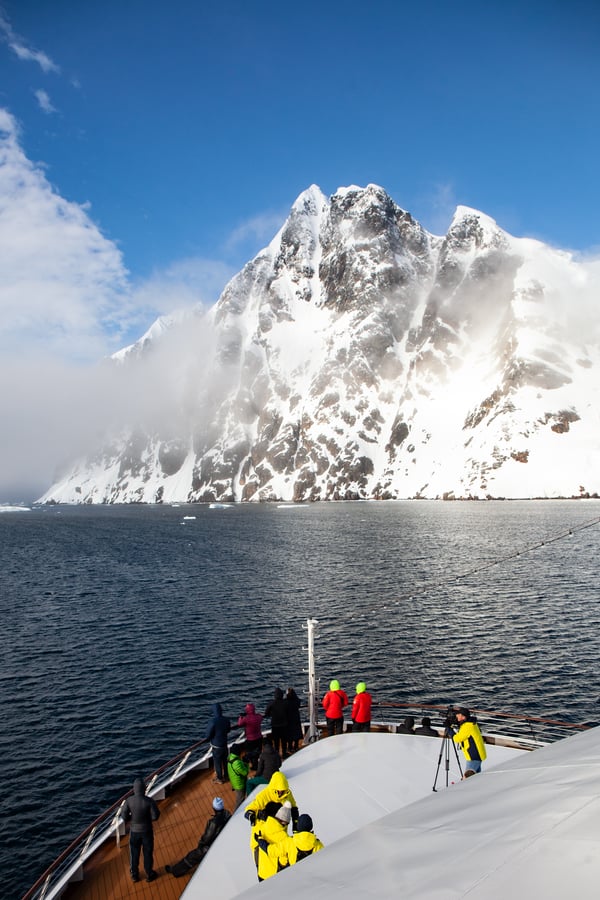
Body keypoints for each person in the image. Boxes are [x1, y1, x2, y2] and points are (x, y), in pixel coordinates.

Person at [165, 796, 231, 877]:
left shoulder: (213, 822)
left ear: (213, 808)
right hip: (223, 842)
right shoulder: (228, 814)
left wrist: (201, 844)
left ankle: (175, 871)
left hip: (213, 846)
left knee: (192, 856)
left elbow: (207, 837)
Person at [122, 777, 160, 883]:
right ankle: (149, 874)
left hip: (134, 832)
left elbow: (124, 816)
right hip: (147, 831)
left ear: (134, 789)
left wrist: (132, 819)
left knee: (134, 853)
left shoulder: (129, 801)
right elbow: (155, 816)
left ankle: (134, 875)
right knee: (147, 853)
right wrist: (148, 819)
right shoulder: (149, 801)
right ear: (144, 788)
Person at [258, 812, 323, 872]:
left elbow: (271, 851)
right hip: (312, 877)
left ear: (298, 826)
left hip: (294, 877)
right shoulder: (318, 845)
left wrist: (260, 840)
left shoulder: (290, 841)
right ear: (310, 826)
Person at [250, 800, 292, 880]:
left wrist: (258, 865)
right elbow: (284, 861)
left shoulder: (260, 828)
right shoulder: (285, 838)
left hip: (262, 872)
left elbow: (254, 847)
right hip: (275, 876)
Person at [451, 707, 487, 777]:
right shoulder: (470, 723)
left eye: (458, 714)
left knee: (467, 778)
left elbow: (457, 739)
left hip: (473, 756)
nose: (456, 716)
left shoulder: (468, 726)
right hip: (477, 754)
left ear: (463, 716)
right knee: (476, 777)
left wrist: (450, 731)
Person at [206, 702, 231, 784]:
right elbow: (228, 730)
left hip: (216, 746)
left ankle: (219, 778)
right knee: (225, 761)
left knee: (217, 762)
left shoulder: (212, 722)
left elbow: (208, 735)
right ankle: (227, 776)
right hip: (224, 744)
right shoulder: (226, 720)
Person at [237, 703, 264, 768]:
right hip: (259, 738)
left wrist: (240, 717)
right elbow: (261, 717)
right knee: (257, 752)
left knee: (250, 753)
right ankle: (256, 765)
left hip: (250, 739)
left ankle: (253, 765)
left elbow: (239, 724)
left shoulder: (246, 718)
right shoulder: (258, 716)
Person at [264, 688, 289, 758]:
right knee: (284, 740)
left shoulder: (271, 703)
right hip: (284, 724)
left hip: (275, 725)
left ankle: (277, 753)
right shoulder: (285, 702)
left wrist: (271, 714)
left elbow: (266, 713)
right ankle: (284, 753)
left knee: (276, 741)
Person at [227, 742, 250, 809]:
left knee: (239, 799)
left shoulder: (230, 757)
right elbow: (245, 772)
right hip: (239, 784)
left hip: (234, 781)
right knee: (240, 800)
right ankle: (235, 815)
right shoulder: (237, 763)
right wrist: (246, 764)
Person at [286, 688, 303, 753]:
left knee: (290, 734)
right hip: (296, 719)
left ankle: (290, 747)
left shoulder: (286, 702)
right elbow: (298, 701)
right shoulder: (297, 701)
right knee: (297, 733)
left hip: (289, 720)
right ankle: (296, 747)